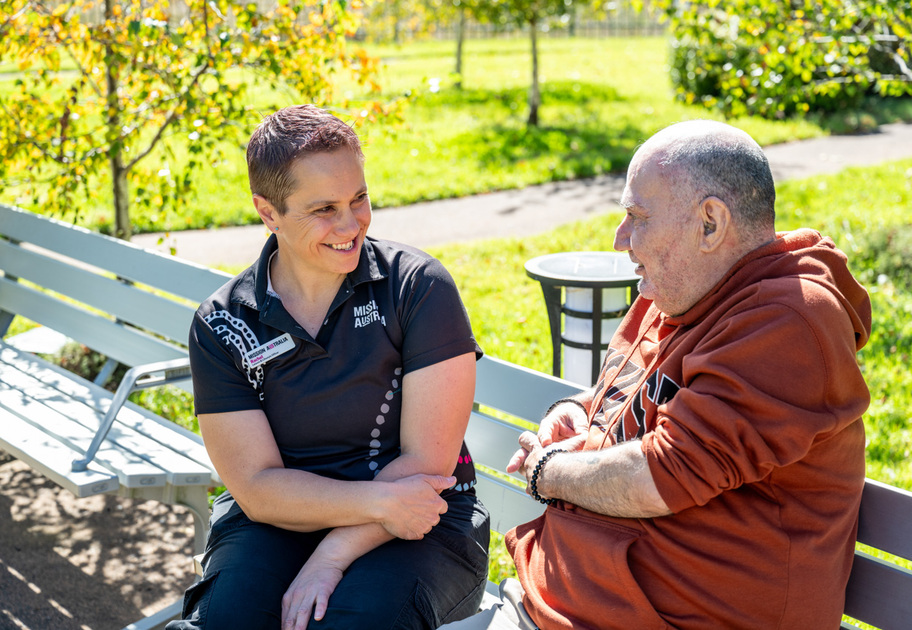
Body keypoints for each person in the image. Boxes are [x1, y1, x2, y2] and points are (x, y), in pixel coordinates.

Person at [444, 119, 872, 629]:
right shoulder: (682, 286)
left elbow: (664, 475)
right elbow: (628, 393)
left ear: (710, 223)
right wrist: (574, 412)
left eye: (637, 216)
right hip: (558, 602)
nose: (621, 238)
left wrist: (547, 473)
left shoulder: (790, 322)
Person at [168, 104, 490, 630]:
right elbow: (256, 486)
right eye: (324, 209)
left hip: (421, 519)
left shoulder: (417, 287)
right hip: (277, 521)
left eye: (359, 198)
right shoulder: (222, 324)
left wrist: (330, 556)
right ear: (268, 211)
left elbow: (428, 466)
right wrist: (366, 507)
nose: (351, 224)